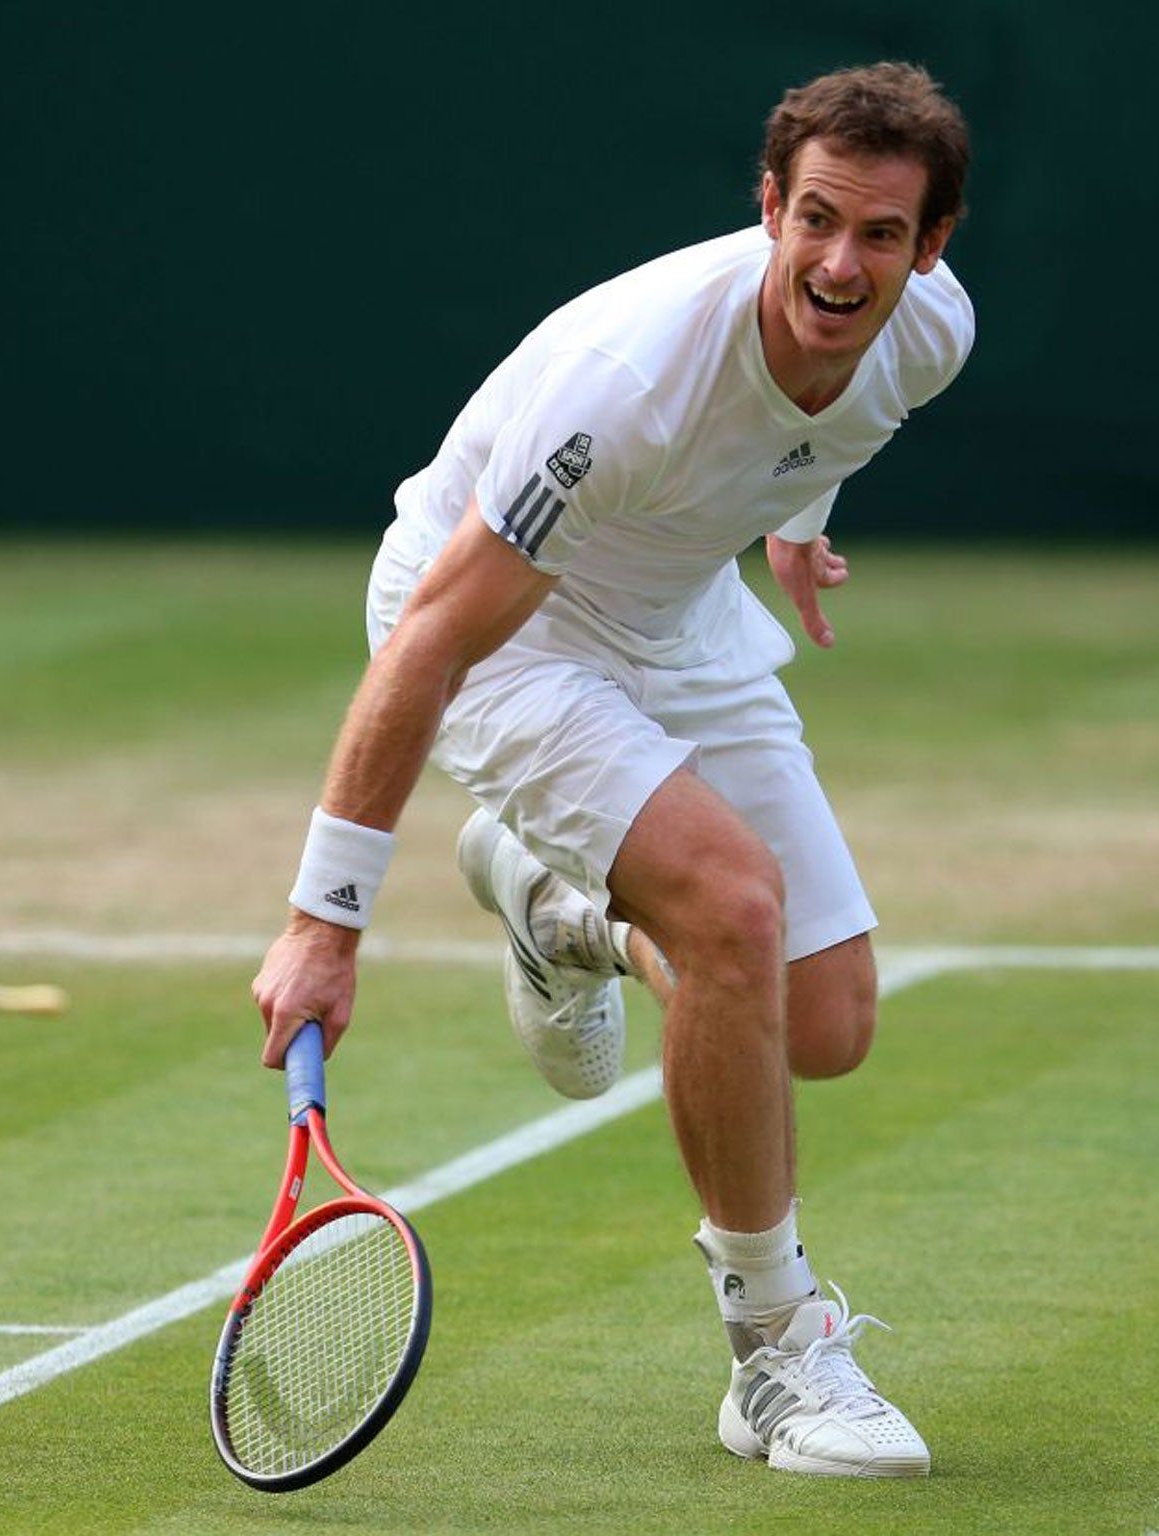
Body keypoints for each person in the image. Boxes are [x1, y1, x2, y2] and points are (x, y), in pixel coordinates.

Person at [251, 61, 974, 1478]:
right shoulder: (625, 385)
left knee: (822, 1025)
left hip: (682, 614)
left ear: (929, 247)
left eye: (880, 235)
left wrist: (790, 524)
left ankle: (562, 913)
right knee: (736, 913)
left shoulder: (930, 334)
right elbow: (435, 641)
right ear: (767, 205)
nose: (840, 262)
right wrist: (322, 921)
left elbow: (819, 423)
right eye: (815, 219)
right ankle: (778, 1351)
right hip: (505, 639)